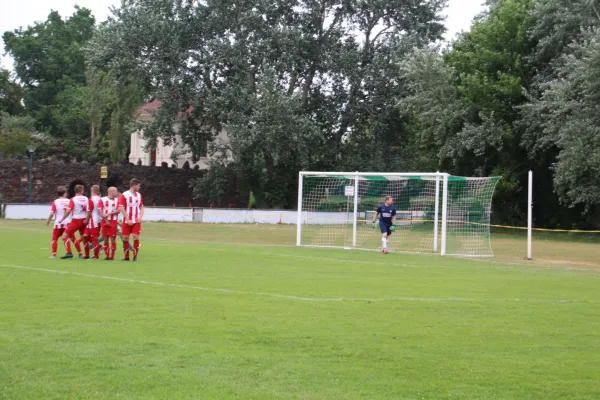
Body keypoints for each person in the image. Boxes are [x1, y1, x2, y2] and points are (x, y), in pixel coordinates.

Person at [58, 184, 91, 259]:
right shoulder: (86, 198)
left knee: (64, 236)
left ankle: (69, 252)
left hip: (76, 220)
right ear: (82, 190)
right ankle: (86, 255)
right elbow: (89, 209)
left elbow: (68, 211)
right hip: (85, 220)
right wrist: (88, 218)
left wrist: (62, 219)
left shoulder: (73, 199)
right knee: (84, 238)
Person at [118, 178, 144, 261]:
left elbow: (141, 207)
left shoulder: (139, 195)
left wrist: (140, 216)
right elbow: (121, 208)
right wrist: (127, 219)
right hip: (127, 221)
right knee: (125, 238)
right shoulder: (124, 195)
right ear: (134, 185)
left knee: (135, 236)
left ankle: (135, 257)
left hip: (136, 220)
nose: (139, 188)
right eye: (138, 186)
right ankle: (126, 257)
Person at [46, 186, 72, 259]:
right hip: (68, 222)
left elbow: (52, 213)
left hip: (59, 223)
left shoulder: (55, 202)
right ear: (64, 193)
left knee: (54, 238)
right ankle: (71, 252)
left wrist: (48, 221)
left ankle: (53, 255)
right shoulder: (69, 201)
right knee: (68, 237)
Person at [83, 185, 106, 260]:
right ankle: (99, 247)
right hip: (97, 220)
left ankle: (96, 257)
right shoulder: (101, 199)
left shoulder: (91, 200)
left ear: (92, 191)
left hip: (94, 220)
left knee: (94, 238)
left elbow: (89, 212)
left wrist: (86, 219)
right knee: (85, 236)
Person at [101, 187, 120, 260]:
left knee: (113, 239)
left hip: (113, 222)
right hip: (104, 221)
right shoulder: (102, 199)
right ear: (111, 192)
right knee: (105, 239)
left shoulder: (117, 200)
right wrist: (106, 220)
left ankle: (112, 256)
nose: (117, 193)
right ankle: (107, 256)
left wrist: (109, 213)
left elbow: (118, 211)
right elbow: (100, 211)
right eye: (116, 191)